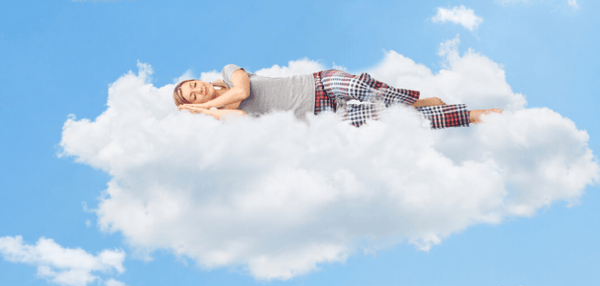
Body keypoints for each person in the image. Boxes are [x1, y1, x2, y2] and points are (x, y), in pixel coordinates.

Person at [173, 64, 502, 129]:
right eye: (192, 96)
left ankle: (413, 99)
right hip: (325, 118)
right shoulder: (223, 116)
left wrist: (205, 105)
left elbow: (242, 92)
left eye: (193, 86)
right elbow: (242, 117)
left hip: (320, 84)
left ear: (200, 81)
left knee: (361, 88)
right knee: (398, 120)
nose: (197, 90)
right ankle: (470, 115)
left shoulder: (229, 72)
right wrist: (206, 113)